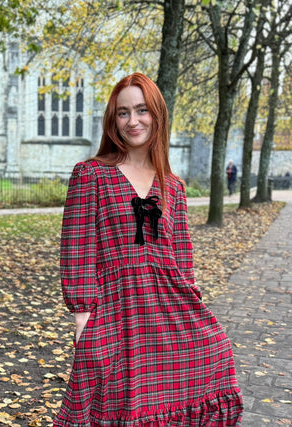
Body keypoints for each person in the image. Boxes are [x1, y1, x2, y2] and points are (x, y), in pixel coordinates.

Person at [53, 73, 243, 426]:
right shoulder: (91, 175)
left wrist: (193, 306)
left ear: (157, 115)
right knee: (113, 401)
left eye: (142, 110)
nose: (133, 120)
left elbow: (182, 260)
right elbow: (77, 248)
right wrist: (82, 316)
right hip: (113, 309)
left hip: (167, 307)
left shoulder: (174, 187)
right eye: (123, 112)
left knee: (217, 351)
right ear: (113, 120)